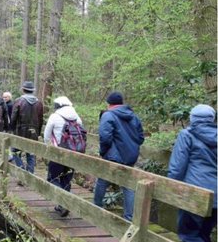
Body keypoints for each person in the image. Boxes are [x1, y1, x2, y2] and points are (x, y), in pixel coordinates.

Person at [167, 104, 217, 242]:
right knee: (202, 236)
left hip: (195, 195)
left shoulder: (187, 135)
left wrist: (171, 190)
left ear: (192, 118)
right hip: (216, 198)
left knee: (188, 234)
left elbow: (176, 168)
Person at [93, 91, 144, 221]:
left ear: (109, 103)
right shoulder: (133, 116)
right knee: (128, 185)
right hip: (130, 157)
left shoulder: (108, 115)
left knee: (102, 181)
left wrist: (104, 152)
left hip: (113, 157)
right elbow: (141, 138)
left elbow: (105, 137)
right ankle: (129, 218)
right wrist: (131, 147)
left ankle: (96, 208)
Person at [43, 96, 82, 217]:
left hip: (58, 154)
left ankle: (63, 203)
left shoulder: (55, 116)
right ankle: (64, 204)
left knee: (52, 179)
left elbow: (46, 135)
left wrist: (48, 148)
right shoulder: (77, 117)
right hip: (73, 154)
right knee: (66, 179)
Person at [10, 81, 44, 174]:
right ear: (32, 91)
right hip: (34, 132)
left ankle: (21, 172)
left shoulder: (19, 101)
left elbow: (13, 117)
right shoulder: (39, 103)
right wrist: (38, 132)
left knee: (15, 151)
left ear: (23, 90)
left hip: (20, 131)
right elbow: (41, 120)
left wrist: (12, 129)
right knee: (31, 153)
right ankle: (30, 175)